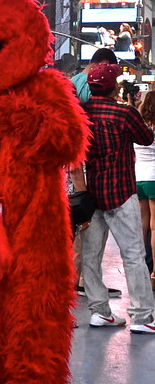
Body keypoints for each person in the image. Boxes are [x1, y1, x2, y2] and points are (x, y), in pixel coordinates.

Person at [81, 63, 155, 333]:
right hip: (121, 192)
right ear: (114, 86)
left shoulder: (80, 113)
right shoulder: (123, 112)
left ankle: (99, 311)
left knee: (91, 256)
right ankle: (142, 317)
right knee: (133, 255)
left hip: (90, 194)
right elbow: (146, 138)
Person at [70, 48, 122, 299]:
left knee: (82, 229)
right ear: (101, 65)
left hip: (76, 167)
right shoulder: (90, 88)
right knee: (88, 228)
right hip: (86, 168)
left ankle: (83, 281)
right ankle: (82, 283)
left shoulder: (71, 83)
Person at [135, 90, 155, 287]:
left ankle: (140, 269)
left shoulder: (140, 127)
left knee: (141, 225)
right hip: (153, 178)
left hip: (138, 178)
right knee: (154, 228)